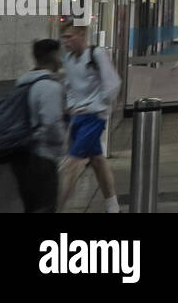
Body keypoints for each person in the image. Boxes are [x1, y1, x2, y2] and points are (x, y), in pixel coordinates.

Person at [57, 21, 122, 213]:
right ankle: (113, 205)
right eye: (64, 38)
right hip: (78, 117)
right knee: (97, 160)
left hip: (94, 117)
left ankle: (55, 209)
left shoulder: (97, 54)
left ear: (81, 35)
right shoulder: (68, 59)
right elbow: (69, 85)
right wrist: (71, 106)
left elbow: (113, 84)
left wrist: (97, 105)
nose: (65, 42)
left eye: (69, 37)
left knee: (72, 164)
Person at [7, 39, 67, 213]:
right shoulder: (49, 87)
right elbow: (52, 123)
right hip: (42, 158)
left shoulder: (23, 82)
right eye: (60, 54)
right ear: (54, 55)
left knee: (31, 207)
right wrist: (62, 144)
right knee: (45, 207)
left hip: (21, 158)